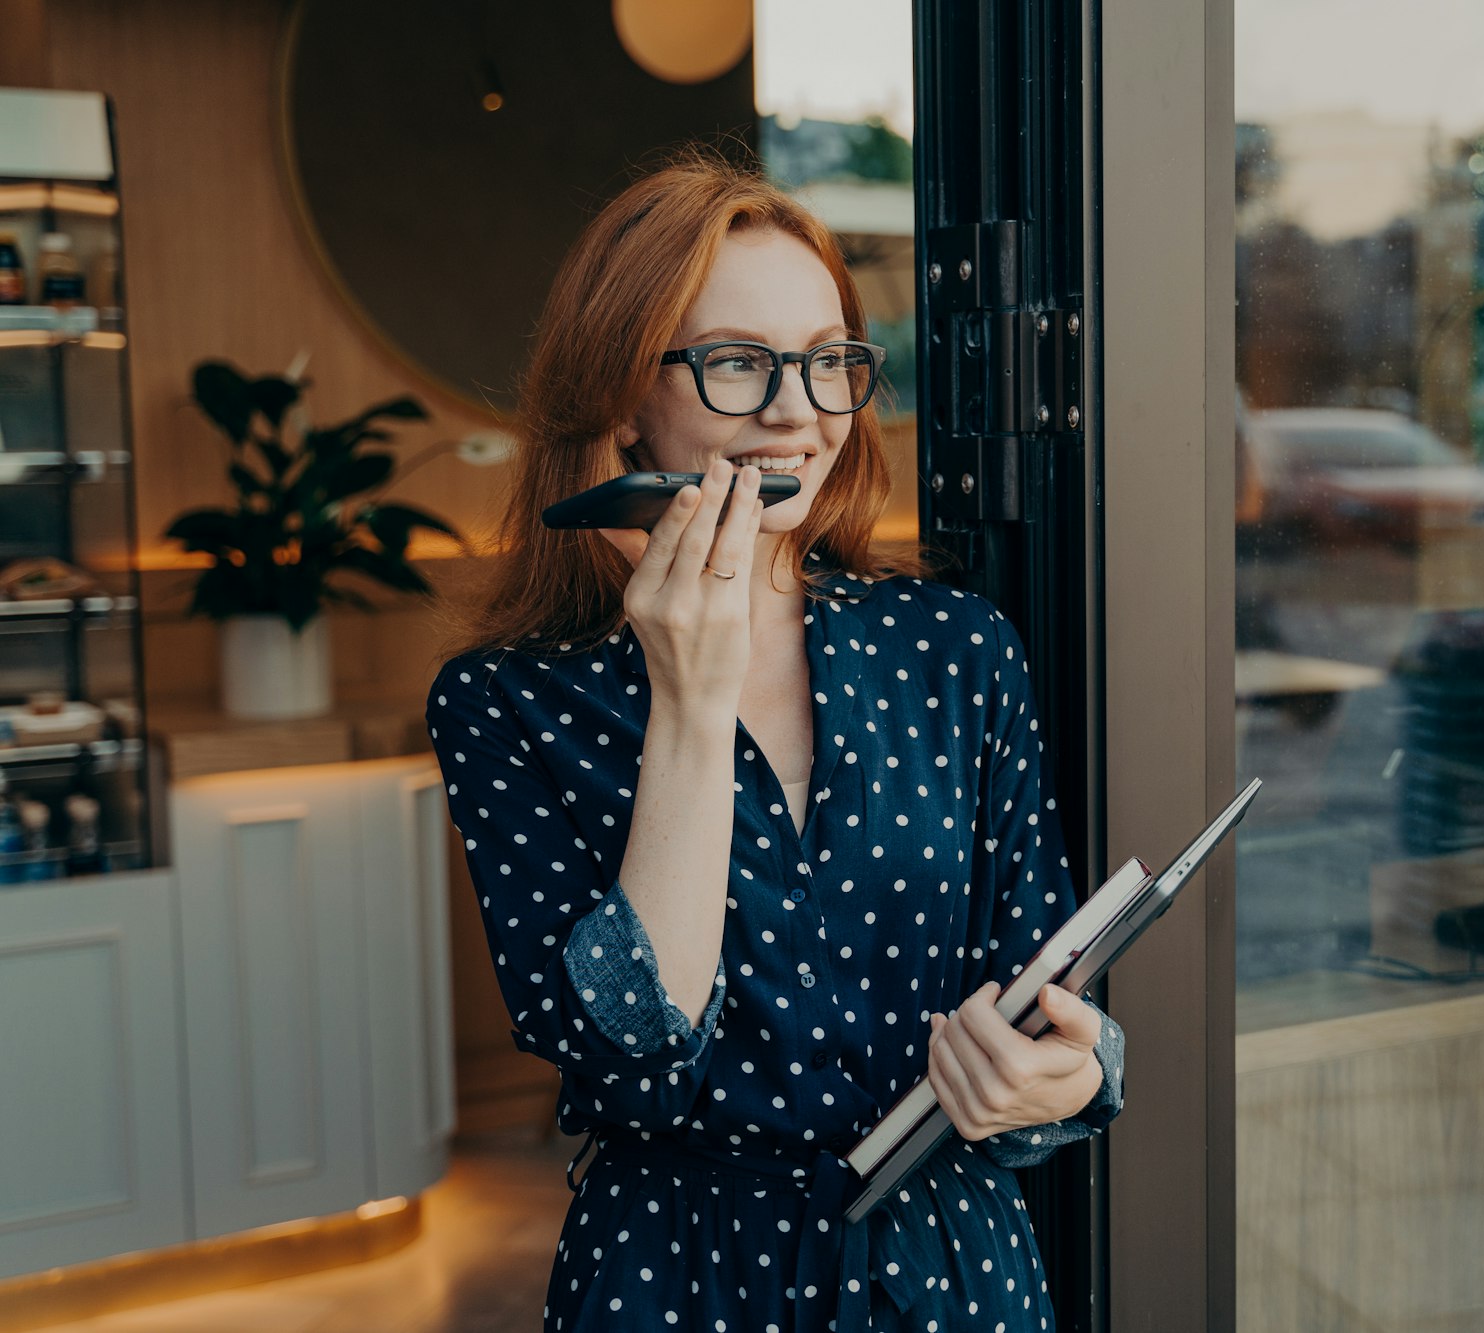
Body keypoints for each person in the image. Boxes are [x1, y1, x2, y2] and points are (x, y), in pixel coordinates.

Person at [426, 153, 1124, 1333]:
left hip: (951, 1268)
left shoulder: (953, 648)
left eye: (826, 362)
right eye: (740, 363)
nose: (798, 410)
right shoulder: (507, 703)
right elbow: (636, 1052)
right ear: (619, 400)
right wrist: (691, 705)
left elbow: (1049, 989)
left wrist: (1073, 1074)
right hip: (681, 1278)